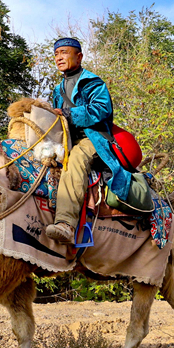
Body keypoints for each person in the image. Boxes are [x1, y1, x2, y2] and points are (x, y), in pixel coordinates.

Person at [44, 37, 133, 246]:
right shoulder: (57, 89)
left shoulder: (93, 83)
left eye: (64, 53)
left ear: (79, 56)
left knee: (74, 160)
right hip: (67, 139)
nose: (59, 58)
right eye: (56, 54)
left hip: (92, 138)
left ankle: (66, 224)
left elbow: (101, 110)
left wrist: (68, 114)